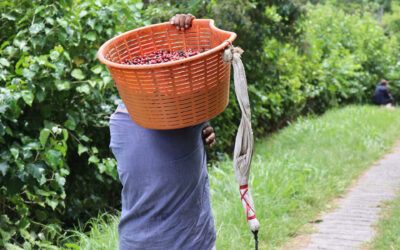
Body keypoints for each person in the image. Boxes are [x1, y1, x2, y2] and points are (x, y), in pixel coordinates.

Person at [109, 14, 217, 250]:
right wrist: (185, 32)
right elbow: (197, 72)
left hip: (149, 242)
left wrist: (201, 125)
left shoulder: (118, 121)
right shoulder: (180, 117)